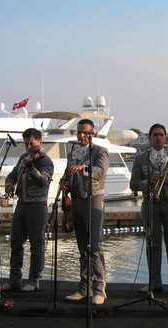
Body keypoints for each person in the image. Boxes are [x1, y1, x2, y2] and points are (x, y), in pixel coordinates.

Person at [129, 123, 168, 293]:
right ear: (149, 138)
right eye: (155, 135)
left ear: (166, 138)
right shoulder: (141, 159)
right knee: (153, 244)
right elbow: (133, 184)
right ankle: (155, 282)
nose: (158, 138)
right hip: (150, 204)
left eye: (161, 135)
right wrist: (148, 182)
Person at [63, 119, 110, 305]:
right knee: (82, 248)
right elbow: (69, 173)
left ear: (93, 133)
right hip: (76, 202)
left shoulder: (100, 151)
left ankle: (100, 288)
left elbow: (101, 171)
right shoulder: (73, 152)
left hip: (94, 202)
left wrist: (84, 168)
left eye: (85, 132)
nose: (81, 135)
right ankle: (84, 288)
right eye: (79, 132)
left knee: (95, 247)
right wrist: (65, 183)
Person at [2, 128, 54, 292]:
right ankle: (14, 279)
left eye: (31, 143)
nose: (28, 147)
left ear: (40, 142)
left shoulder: (46, 161)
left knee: (36, 245)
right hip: (22, 204)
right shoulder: (23, 158)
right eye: (26, 144)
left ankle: (34, 279)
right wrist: (9, 184)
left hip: (37, 205)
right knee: (16, 243)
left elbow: (44, 181)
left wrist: (31, 168)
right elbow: (12, 175)